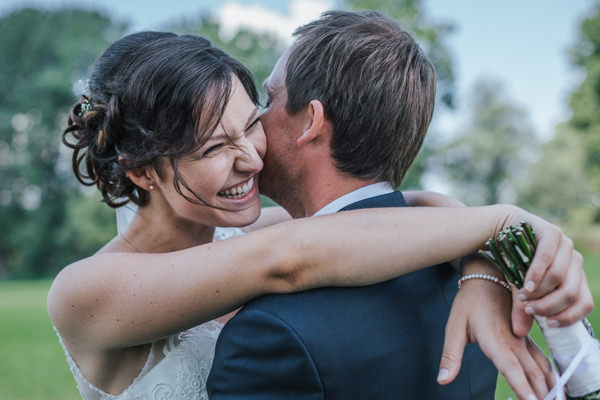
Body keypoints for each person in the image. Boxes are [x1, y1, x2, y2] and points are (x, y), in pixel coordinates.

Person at [48, 29, 589, 400]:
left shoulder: (246, 230)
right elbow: (290, 258)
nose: (252, 156)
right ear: (140, 171)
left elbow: (415, 204)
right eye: (215, 148)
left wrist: (482, 268)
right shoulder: (85, 291)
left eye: (250, 123)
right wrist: (506, 222)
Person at [207, 10, 592, 400]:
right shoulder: (472, 283)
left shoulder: (269, 334)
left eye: (270, 99)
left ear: (311, 121)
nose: (256, 119)